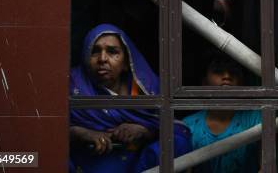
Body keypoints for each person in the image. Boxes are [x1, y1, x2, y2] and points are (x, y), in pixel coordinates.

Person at [69, 23, 192, 172]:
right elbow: (50, 126)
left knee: (177, 142)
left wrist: (143, 130)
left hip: (141, 163)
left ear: (127, 62)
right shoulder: (72, 85)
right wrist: (83, 133)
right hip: (91, 162)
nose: (102, 59)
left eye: (112, 51)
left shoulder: (146, 89)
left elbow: (174, 126)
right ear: (85, 57)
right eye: (94, 51)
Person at [182, 53, 262, 173]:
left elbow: (267, 165)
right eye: (218, 71)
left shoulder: (255, 118)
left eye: (233, 72)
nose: (226, 76)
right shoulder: (189, 126)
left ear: (241, 83)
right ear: (204, 83)